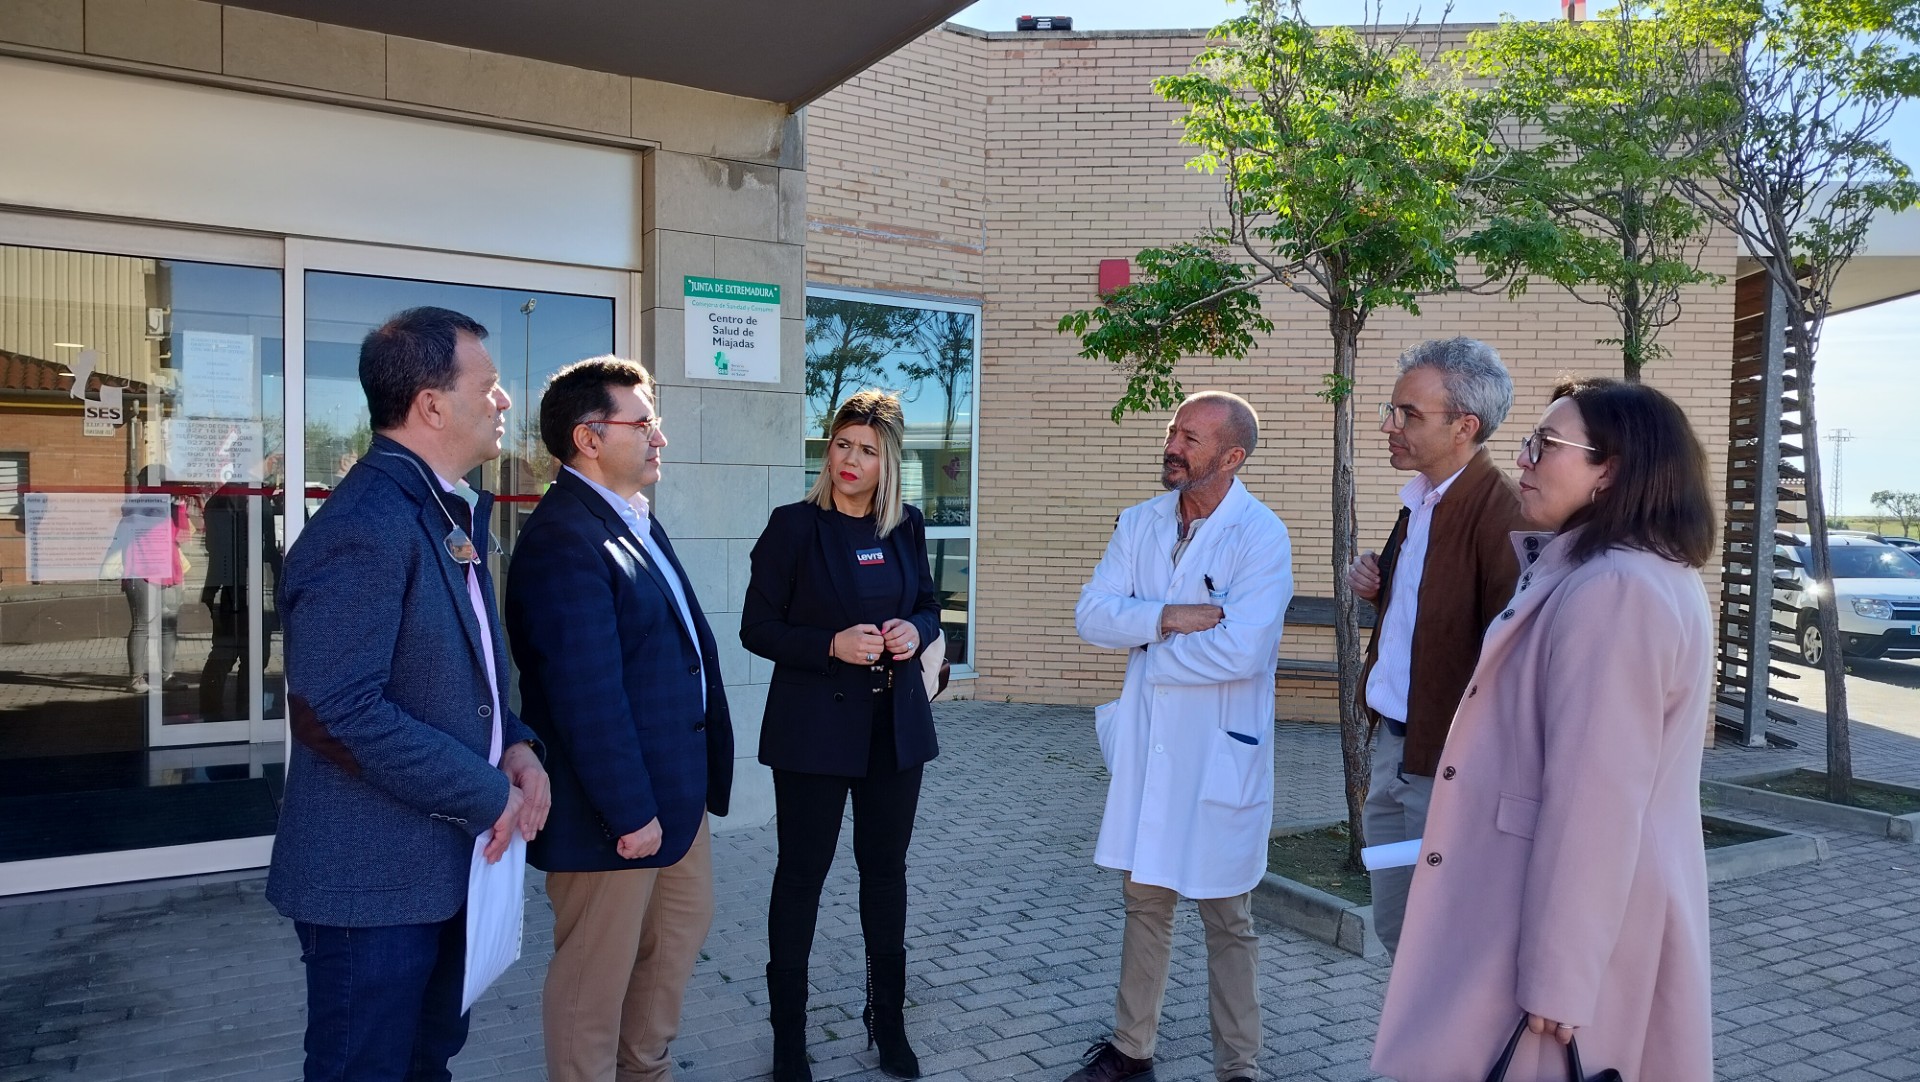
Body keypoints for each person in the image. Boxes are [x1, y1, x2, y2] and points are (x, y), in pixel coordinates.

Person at [1372, 379, 1716, 1082]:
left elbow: (1598, 797)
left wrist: (1562, 972)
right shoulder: (1625, 572)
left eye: (1545, 445)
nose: (1523, 459)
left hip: (1556, 928)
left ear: (1611, 469)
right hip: (1577, 909)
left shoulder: (1614, 590)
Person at [267, 306, 551, 1082]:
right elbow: (338, 711)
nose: (503, 403)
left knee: (426, 1066)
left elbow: (473, 675)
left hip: (438, 873)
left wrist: (518, 746)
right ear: (431, 404)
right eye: (489, 387)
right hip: (372, 890)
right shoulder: (369, 523)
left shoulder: (437, 509)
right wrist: (488, 790)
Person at [506, 357, 734, 1082]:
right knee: (592, 982)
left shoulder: (630, 518)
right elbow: (586, 695)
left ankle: (645, 1070)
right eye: (644, 423)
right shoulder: (563, 540)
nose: (660, 436)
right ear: (589, 438)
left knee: (676, 935)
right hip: (615, 814)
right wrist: (632, 811)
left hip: (674, 795)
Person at [1069, 390, 1294, 1082]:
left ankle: (1240, 1066)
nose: (1173, 444)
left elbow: (1243, 651)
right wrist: (1168, 618)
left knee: (1227, 915)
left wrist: (1145, 646)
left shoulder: (1261, 535)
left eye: (1191, 438)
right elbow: (1091, 615)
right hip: (1152, 751)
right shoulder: (1140, 523)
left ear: (1231, 457)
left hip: (1219, 754)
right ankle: (1131, 1049)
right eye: (1174, 431)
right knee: (1145, 903)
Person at [741, 390, 942, 1082]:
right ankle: (789, 1040)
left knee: (886, 875)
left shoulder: (906, 527)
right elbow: (757, 628)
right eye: (841, 446)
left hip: (895, 729)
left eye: (867, 451)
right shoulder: (793, 527)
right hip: (813, 732)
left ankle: (888, 1025)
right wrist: (830, 643)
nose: (851, 461)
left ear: (889, 461)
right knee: (802, 877)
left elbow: (926, 604)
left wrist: (917, 630)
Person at [1345, 337, 1522, 956]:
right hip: (1396, 756)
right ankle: (1413, 1049)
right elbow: (1434, 611)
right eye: (1392, 411)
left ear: (1464, 427)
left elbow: (1516, 652)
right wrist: (1380, 586)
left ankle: (1444, 1054)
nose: (1391, 427)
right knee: (1398, 930)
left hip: (1445, 772)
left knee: (1441, 942)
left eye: (1409, 415)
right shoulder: (1420, 502)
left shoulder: (1500, 515)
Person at [117, 464, 192, 693]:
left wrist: (179, 508)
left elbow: (184, 536)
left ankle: (166, 675)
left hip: (168, 570)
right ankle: (136, 678)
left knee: (169, 626)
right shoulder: (137, 506)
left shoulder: (170, 506)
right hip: (141, 571)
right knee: (142, 625)